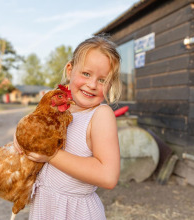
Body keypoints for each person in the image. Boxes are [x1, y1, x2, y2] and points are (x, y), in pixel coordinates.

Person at [14, 34, 122, 220]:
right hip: (45, 207)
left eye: (102, 80)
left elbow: (108, 176)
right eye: (86, 74)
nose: (92, 85)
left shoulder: (100, 115)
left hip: (76, 211)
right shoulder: (56, 107)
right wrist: (22, 139)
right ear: (70, 70)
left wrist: (51, 154)